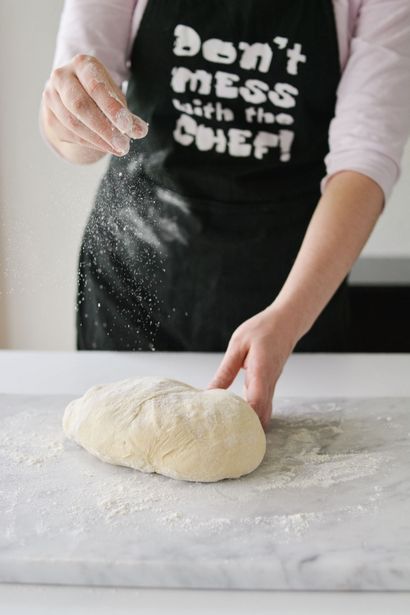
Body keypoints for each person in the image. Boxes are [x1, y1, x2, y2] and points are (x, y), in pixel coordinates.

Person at [41, 0, 410, 429]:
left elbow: (365, 161)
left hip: (292, 288)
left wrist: (289, 317)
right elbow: (77, 137)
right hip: (133, 282)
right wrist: (69, 117)